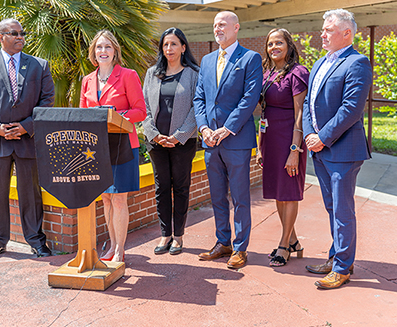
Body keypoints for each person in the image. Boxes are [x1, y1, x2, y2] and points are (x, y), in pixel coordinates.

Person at [0, 18, 55, 260]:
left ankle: (36, 241)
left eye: (22, 33)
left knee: (31, 194)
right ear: (1, 37)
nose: (20, 37)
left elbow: (47, 100)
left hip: (28, 141)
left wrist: (26, 126)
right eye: (14, 33)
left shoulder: (39, 65)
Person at [302, 9, 372, 289]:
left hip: (343, 150)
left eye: (329, 29)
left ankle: (343, 267)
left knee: (343, 210)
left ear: (347, 33)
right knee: (332, 208)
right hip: (319, 149)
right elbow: (308, 103)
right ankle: (337, 256)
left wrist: (323, 137)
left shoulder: (357, 62)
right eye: (323, 29)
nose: (322, 33)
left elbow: (351, 109)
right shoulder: (320, 63)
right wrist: (309, 134)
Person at [194, 11, 263, 269]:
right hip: (210, 141)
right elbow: (199, 99)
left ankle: (240, 248)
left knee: (241, 197)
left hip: (236, 140)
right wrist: (203, 129)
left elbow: (249, 99)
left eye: (222, 24)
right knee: (217, 196)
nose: (217, 29)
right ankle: (222, 242)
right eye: (214, 25)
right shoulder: (207, 60)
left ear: (236, 28)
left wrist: (227, 129)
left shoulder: (250, 58)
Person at [80, 30, 146, 262]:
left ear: (115, 51)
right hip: (97, 147)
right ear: (93, 52)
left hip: (123, 145)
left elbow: (141, 111)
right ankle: (111, 246)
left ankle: (120, 249)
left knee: (119, 199)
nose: (103, 51)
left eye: (108, 47)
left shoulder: (128, 75)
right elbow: (82, 114)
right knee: (106, 198)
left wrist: (114, 115)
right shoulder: (87, 80)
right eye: (99, 47)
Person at [142, 28, 199, 255]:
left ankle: (179, 236)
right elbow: (144, 107)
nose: (169, 49)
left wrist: (179, 135)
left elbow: (198, 107)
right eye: (165, 45)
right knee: (161, 188)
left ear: (183, 47)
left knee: (181, 188)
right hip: (156, 142)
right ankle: (165, 235)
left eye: (174, 44)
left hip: (182, 143)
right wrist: (153, 134)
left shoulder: (194, 73)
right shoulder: (151, 73)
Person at [256, 28, 309, 267]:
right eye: (270, 44)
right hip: (271, 140)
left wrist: (295, 150)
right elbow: (263, 112)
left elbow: (300, 114)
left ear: (289, 45)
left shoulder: (297, 73)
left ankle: (284, 244)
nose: (274, 47)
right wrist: (259, 146)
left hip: (289, 139)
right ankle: (294, 240)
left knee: (288, 193)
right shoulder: (266, 73)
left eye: (279, 43)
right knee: (279, 192)